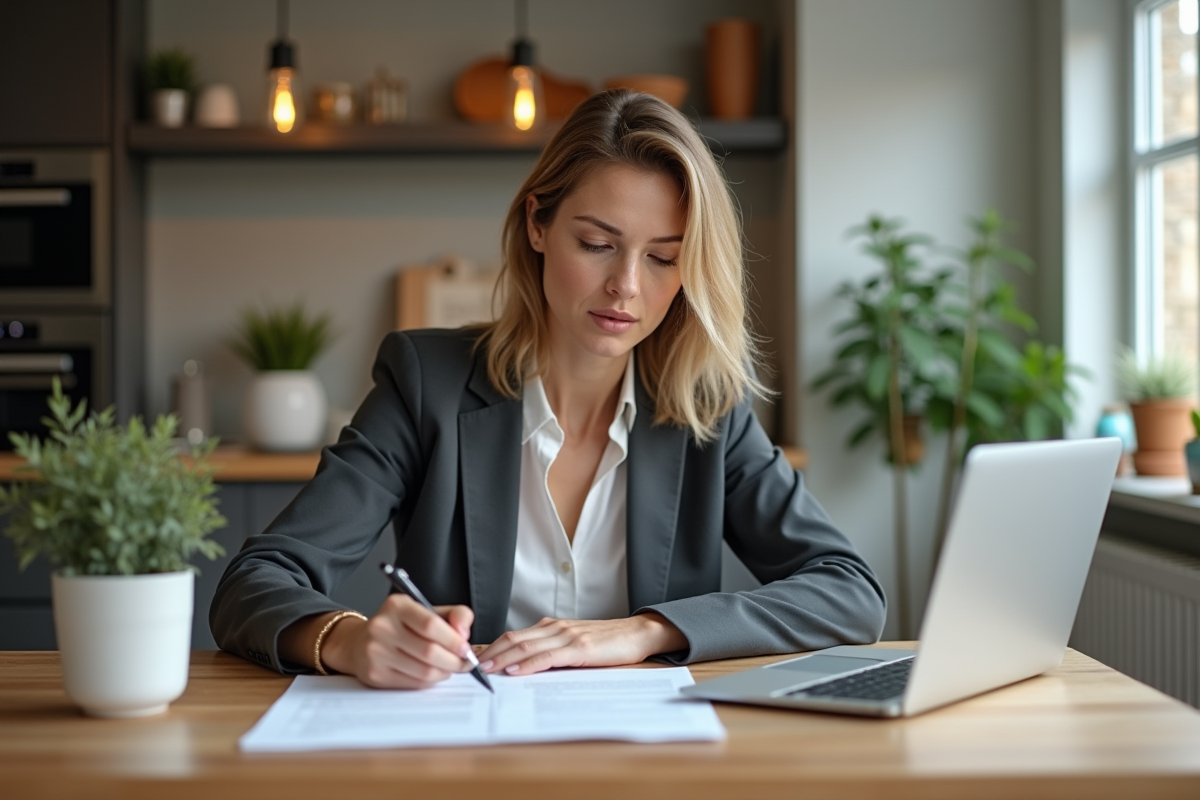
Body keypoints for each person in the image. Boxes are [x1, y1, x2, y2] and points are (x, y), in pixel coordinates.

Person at [211, 90, 886, 689]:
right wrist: (352, 641)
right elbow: (252, 584)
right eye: (597, 243)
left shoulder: (707, 410)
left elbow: (850, 593)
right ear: (538, 224)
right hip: (466, 750)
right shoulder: (427, 385)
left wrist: (644, 631)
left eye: (663, 258)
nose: (626, 285)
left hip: (649, 761)